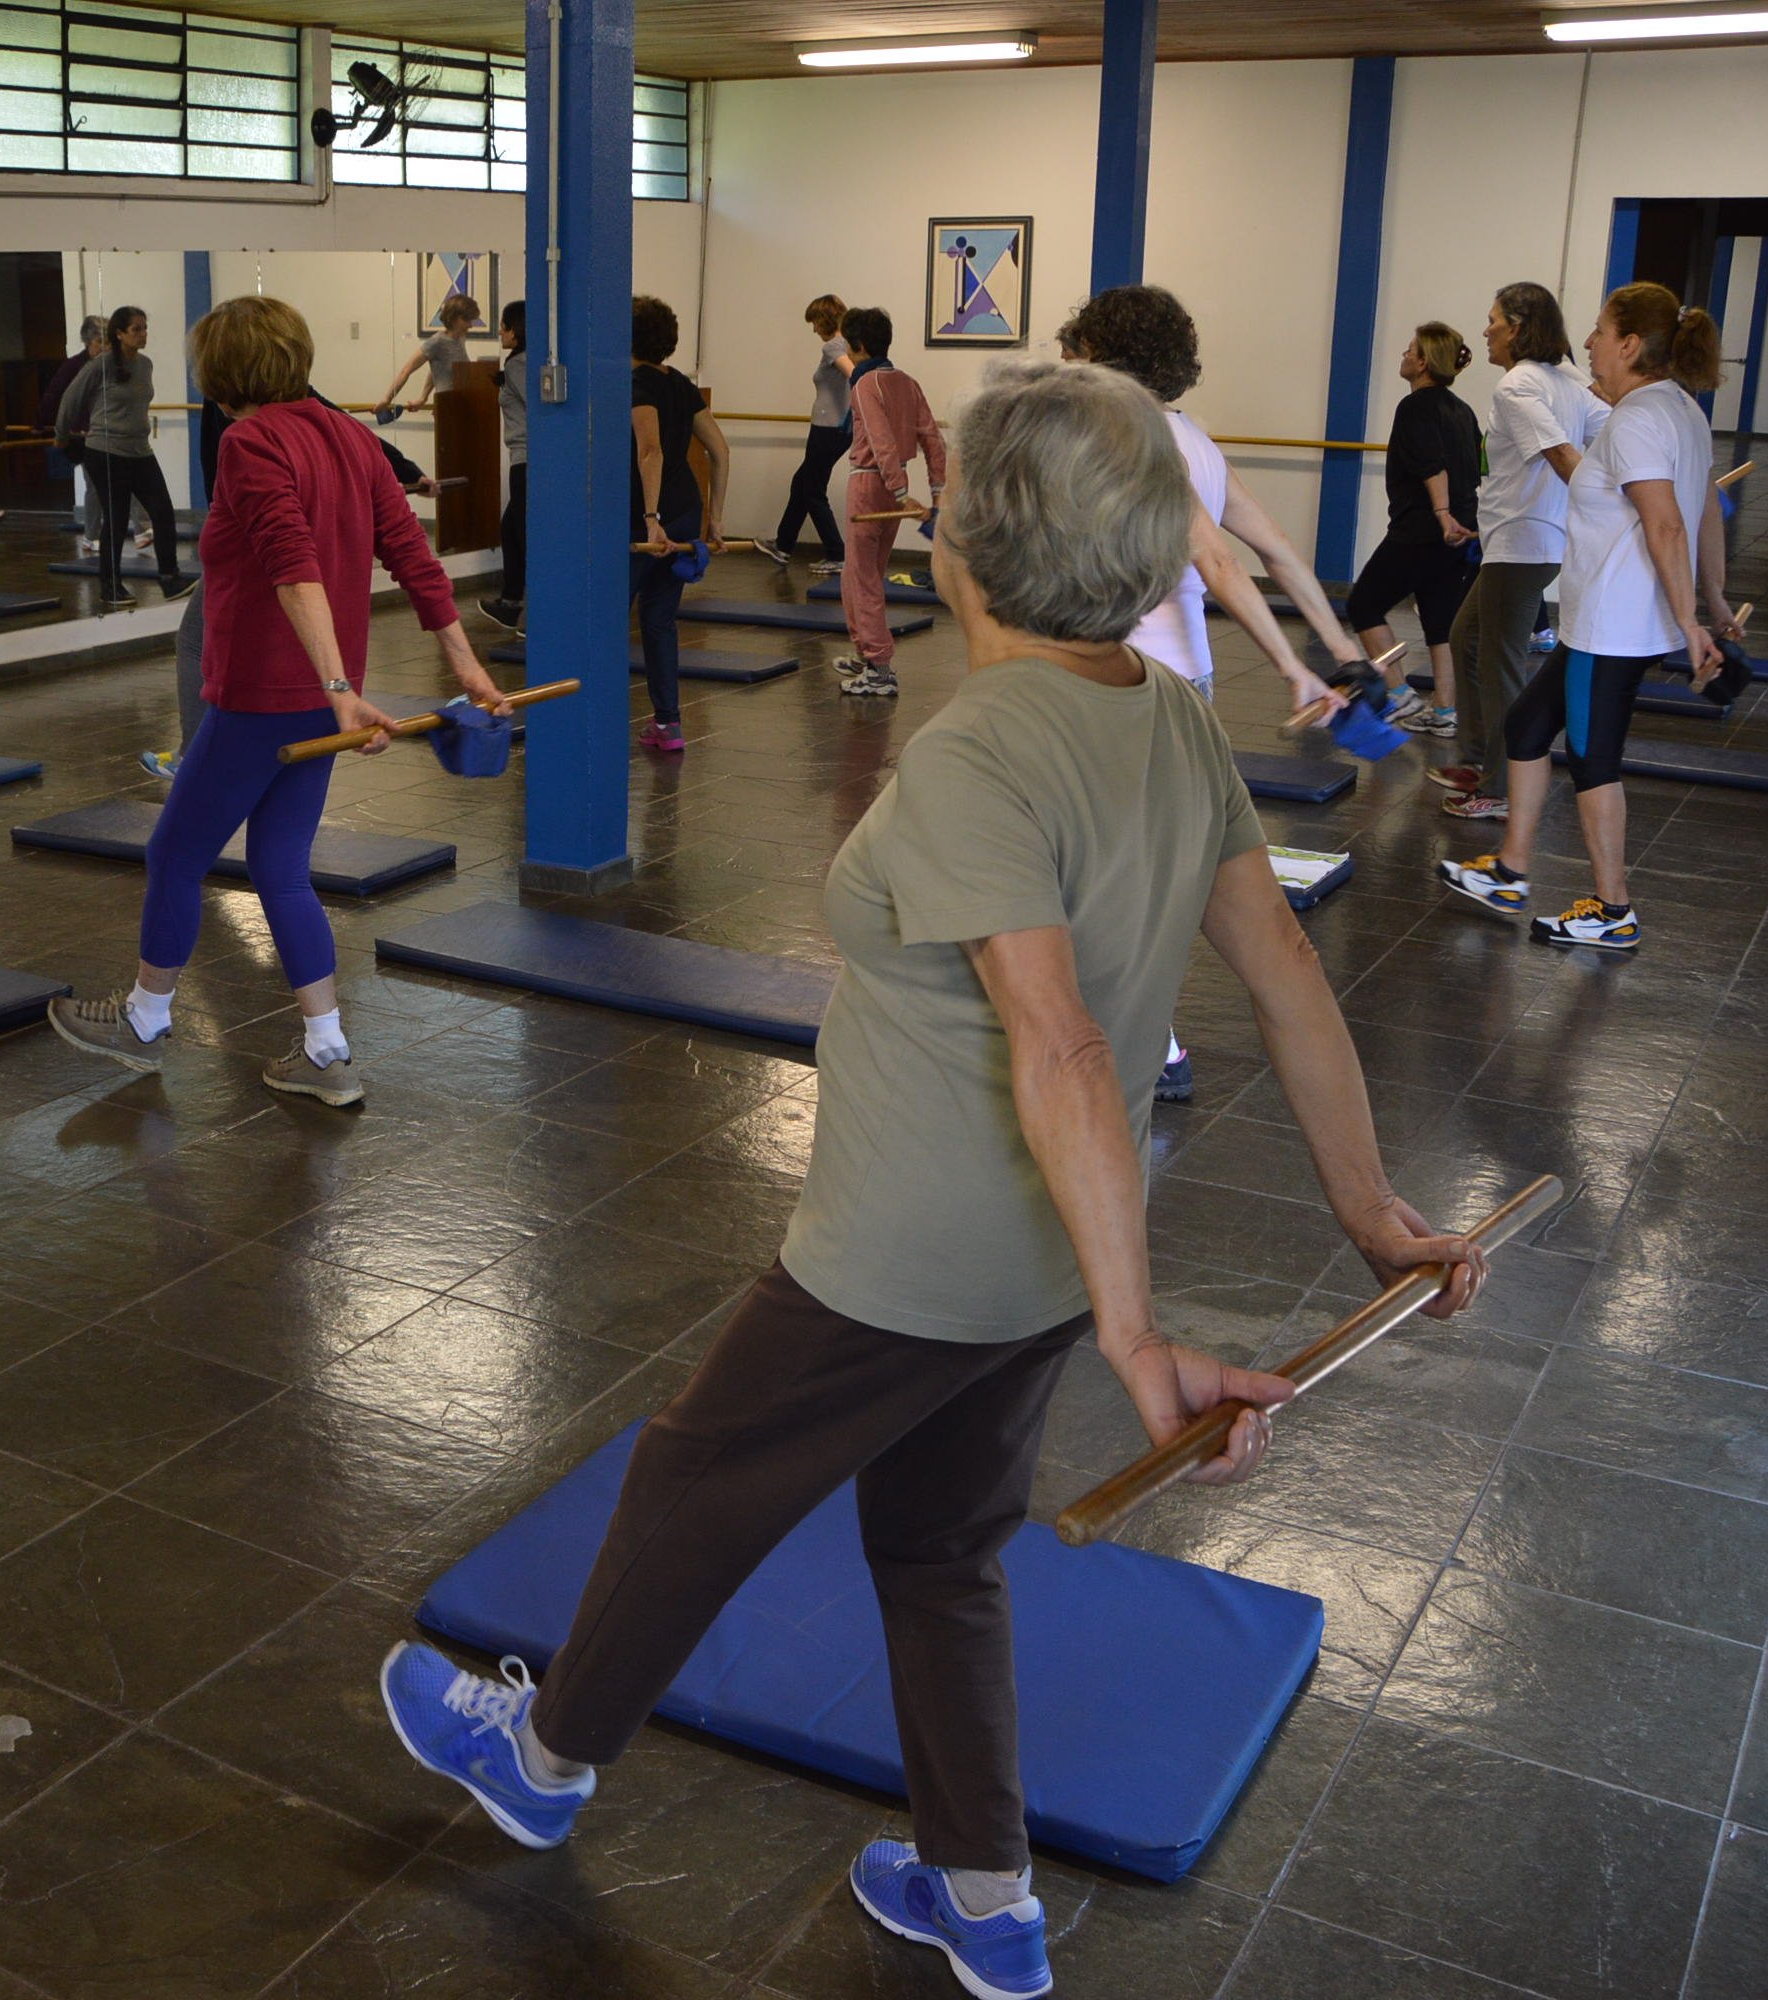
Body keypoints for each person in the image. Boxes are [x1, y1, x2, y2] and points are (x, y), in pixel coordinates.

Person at [376, 356, 1488, 2000]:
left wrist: (1137, 1339)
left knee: (692, 1482)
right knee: (937, 1550)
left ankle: (539, 1761)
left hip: (906, 1260)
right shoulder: (1167, 715)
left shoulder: (970, 757)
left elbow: (1062, 1051)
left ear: (959, 547)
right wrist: (1363, 1206)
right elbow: (1284, 983)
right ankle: (979, 1890)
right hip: (1040, 1256)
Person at [45, 295, 506, 1105]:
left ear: (219, 377)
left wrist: (336, 691)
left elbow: (296, 568)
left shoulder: (250, 439)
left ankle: (146, 1020)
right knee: (280, 867)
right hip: (322, 701)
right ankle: (327, 1052)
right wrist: (462, 667)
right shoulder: (347, 434)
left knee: (174, 856)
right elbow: (411, 554)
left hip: (265, 696)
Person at [1057, 284, 1359, 1105]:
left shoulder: (1134, 434)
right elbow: (1281, 549)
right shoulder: (1195, 439)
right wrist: (1336, 644)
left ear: (1103, 355)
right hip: (1184, 681)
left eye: (1078, 351)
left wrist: (1299, 668)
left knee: (1117, 872)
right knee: (1135, 864)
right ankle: (1150, 1034)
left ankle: (1152, 1040)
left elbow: (1221, 562)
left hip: (1132, 682)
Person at [1440, 282, 1734, 951]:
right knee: (1527, 724)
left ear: (1630, 344)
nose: (1592, 341)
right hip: (1604, 621)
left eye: (1602, 331)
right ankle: (1510, 870)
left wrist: (1693, 622)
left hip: (1614, 624)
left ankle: (1613, 909)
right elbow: (1707, 509)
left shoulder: (1639, 419)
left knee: (1594, 760)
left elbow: (1666, 525)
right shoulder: (1677, 410)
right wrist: (1712, 601)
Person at [141, 385, 430, 781]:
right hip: (258, 530)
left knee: (196, 638)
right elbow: (348, 428)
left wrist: (339, 689)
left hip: (254, 537)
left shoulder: (249, 429)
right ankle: (203, 752)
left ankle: (194, 757)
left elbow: (302, 575)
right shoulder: (292, 407)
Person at [1435, 282, 1605, 820]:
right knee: (1465, 637)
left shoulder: (1519, 385)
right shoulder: (1571, 378)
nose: (1484, 330)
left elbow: (1560, 453)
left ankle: (1502, 788)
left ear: (1517, 327)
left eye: (1492, 321)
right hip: (1521, 541)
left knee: (1500, 664)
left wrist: (1615, 513)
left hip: (1524, 545)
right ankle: (1480, 758)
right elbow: (1612, 429)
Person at [1346, 322, 1482, 739]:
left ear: (1423, 362)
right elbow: (1477, 469)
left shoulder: (1416, 407)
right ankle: (1444, 710)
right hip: (1460, 531)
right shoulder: (1462, 411)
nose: (1403, 356)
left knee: (1363, 605)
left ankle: (1399, 691)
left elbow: (1432, 464)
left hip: (1424, 528)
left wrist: (1441, 514)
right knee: (1439, 621)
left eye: (1409, 351)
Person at [631, 295, 729, 752]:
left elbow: (651, 452)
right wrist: (715, 522)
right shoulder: (682, 386)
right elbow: (721, 451)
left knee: (607, 618)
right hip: (688, 510)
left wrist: (652, 520)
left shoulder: (636, 385)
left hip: (649, 517)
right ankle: (668, 725)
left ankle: (590, 718)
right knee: (658, 620)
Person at [835, 307, 942, 700]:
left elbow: (880, 440)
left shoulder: (865, 385)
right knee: (862, 574)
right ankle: (866, 652)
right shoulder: (907, 381)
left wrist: (898, 492)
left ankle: (879, 667)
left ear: (857, 345)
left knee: (862, 577)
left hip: (870, 485)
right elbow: (932, 438)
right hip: (894, 484)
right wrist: (935, 491)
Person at [56, 305, 190, 609]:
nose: (143, 335)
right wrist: (61, 436)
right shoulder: (100, 366)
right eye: (136, 330)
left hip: (140, 451)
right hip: (106, 452)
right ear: (119, 334)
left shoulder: (146, 365)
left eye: (145, 328)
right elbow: (70, 398)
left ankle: (169, 577)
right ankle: (110, 586)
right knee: (115, 519)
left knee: (163, 511)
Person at [756, 294, 851, 574]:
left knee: (812, 490)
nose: (813, 329)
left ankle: (837, 554)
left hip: (827, 430)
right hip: (838, 429)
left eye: (814, 323)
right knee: (802, 483)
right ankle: (783, 546)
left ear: (824, 320)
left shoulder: (834, 347)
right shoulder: (848, 343)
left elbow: (856, 374)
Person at [481, 298, 529, 633]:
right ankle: (511, 603)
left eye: (504, 325)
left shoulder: (518, 365)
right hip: (526, 460)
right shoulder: (521, 363)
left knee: (524, 534)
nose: (500, 331)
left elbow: (542, 410)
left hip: (527, 462)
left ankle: (533, 612)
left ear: (517, 330)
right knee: (511, 529)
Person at [39, 315, 109, 538]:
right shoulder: (75, 366)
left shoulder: (108, 365)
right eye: (100, 342)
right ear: (89, 342)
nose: (105, 347)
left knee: (114, 482)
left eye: (107, 342)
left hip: (103, 432)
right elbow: (54, 394)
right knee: (94, 485)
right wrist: (39, 423)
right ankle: (91, 535)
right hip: (81, 435)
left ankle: (134, 531)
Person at [378, 292, 479, 421]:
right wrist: (387, 399)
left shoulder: (460, 339)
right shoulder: (436, 341)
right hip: (447, 407)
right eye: (468, 320)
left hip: (462, 404)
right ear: (456, 318)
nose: (470, 325)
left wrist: (423, 397)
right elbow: (406, 370)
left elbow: (437, 369)